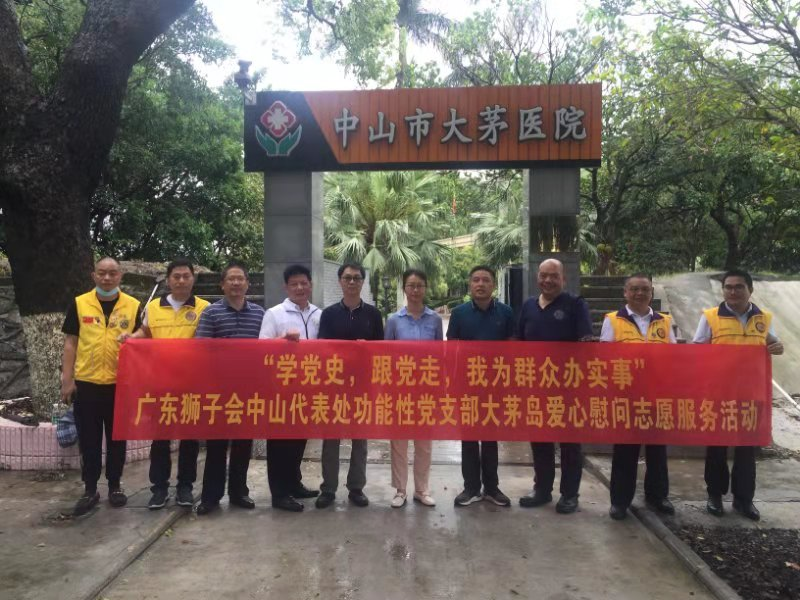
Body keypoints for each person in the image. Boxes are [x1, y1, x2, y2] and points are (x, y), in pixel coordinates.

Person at [693, 269, 784, 521]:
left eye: (739, 287)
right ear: (723, 290)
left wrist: (777, 346)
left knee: (746, 449)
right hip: (718, 395)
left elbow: (773, 343)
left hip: (750, 395)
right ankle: (715, 495)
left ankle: (744, 500)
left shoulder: (763, 318)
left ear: (750, 290)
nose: (733, 291)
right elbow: (697, 351)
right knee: (716, 448)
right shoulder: (710, 317)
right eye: (728, 287)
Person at [121, 258, 209, 510]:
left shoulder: (204, 308)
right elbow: (145, 332)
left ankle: (185, 487)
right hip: (160, 385)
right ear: (168, 280)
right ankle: (159, 488)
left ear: (193, 279)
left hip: (191, 386)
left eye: (186, 276)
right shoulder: (153, 307)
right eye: (176, 276)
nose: (181, 281)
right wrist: (131, 337)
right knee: (160, 439)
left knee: (189, 439)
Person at [60, 257, 141, 516]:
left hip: (120, 385)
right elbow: (71, 343)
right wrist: (67, 380)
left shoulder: (134, 306)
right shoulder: (80, 303)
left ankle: (115, 486)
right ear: (93, 275)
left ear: (120, 276)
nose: (107, 278)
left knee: (118, 439)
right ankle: (90, 489)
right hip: (87, 384)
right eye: (102, 273)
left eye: (112, 273)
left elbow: (142, 342)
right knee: (89, 440)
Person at [517, 259, 592, 514]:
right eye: (543, 275)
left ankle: (570, 494)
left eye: (553, 276)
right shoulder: (528, 306)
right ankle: (542, 489)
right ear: (537, 277)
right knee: (540, 440)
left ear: (563, 279)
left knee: (570, 443)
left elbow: (586, 343)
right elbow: (517, 343)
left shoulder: (575, 305)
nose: (548, 280)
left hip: (567, 387)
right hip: (535, 386)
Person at [600, 273, 676, 520]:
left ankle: (658, 496)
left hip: (657, 396)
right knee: (625, 451)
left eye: (645, 289)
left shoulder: (665, 321)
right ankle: (620, 501)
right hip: (626, 397)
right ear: (625, 292)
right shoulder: (612, 320)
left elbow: (675, 357)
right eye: (634, 289)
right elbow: (605, 358)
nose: (640, 293)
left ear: (651, 293)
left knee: (657, 451)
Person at [194, 261, 265, 515]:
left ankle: (239, 492)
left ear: (247, 284)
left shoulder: (260, 314)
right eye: (231, 279)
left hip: (248, 390)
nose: (236, 283)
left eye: (240, 279)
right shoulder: (211, 313)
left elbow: (267, 349)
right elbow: (201, 348)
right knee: (216, 445)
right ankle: (210, 497)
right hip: (218, 390)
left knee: (243, 444)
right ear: (222, 285)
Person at [315, 263, 384, 509]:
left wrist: (368, 349)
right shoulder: (329, 314)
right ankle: (328, 488)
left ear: (362, 282)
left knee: (360, 439)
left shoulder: (373, 315)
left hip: (362, 385)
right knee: (331, 439)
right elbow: (322, 348)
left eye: (356, 278)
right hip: (334, 384)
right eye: (347, 278)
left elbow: (381, 351)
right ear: (340, 281)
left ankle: (356, 487)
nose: (352, 282)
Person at [447, 265, 515, 508]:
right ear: (470, 284)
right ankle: (471, 488)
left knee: (490, 438)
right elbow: (451, 350)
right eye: (476, 280)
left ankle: (492, 488)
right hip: (466, 386)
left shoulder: (506, 313)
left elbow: (512, 350)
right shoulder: (459, 313)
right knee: (468, 438)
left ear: (493, 285)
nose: (480, 284)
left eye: (486, 280)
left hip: (495, 386)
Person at [259, 264, 321, 512]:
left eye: (303, 283)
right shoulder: (274, 314)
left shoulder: (318, 314)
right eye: (294, 284)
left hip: (308, 387)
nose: (299, 288)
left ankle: (294, 483)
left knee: (299, 438)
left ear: (310, 285)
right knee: (279, 442)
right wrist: (283, 341)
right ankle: (280, 493)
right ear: (286, 287)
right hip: (281, 389)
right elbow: (262, 348)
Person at [385, 269, 443, 508]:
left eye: (420, 285)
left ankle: (422, 489)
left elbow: (440, 355)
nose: (416, 290)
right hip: (400, 389)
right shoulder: (393, 320)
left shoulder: (435, 320)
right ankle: (400, 490)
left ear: (425, 288)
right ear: (404, 289)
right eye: (411, 285)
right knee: (399, 443)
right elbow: (385, 355)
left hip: (426, 389)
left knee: (424, 443)